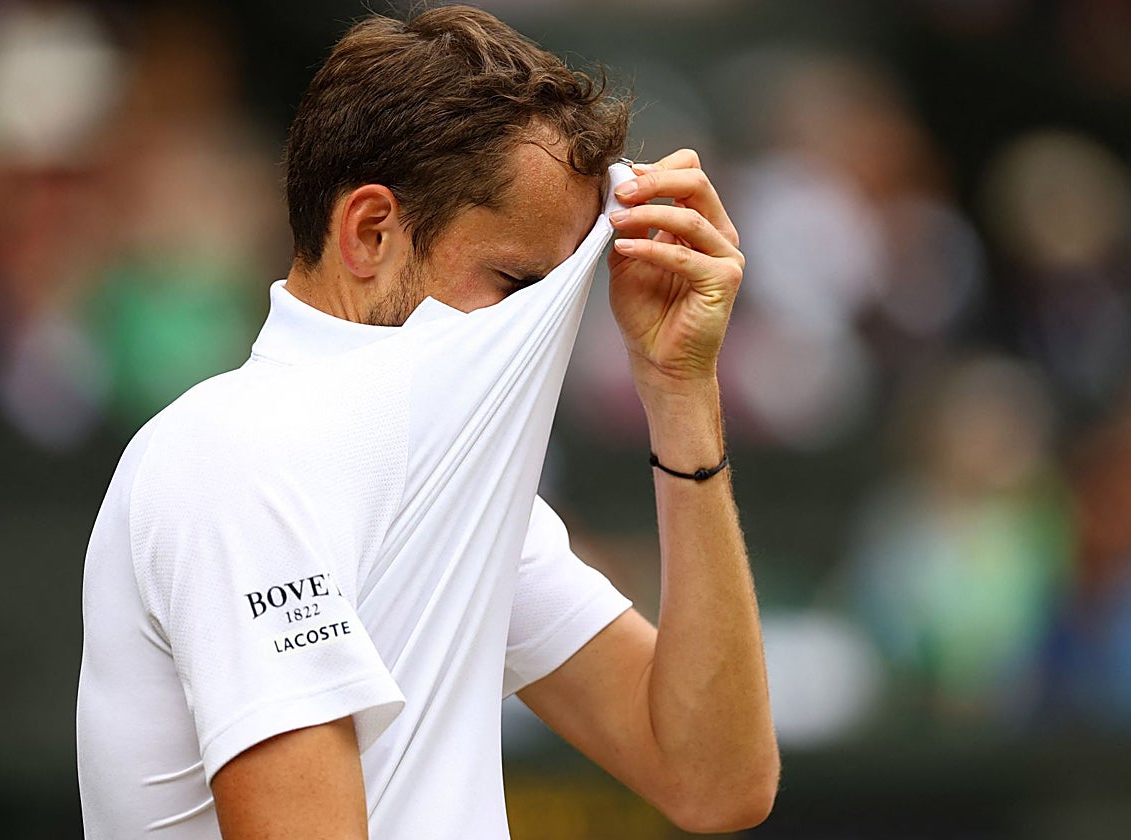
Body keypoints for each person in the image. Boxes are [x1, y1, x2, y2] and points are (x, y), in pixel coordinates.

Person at [75, 6, 778, 839]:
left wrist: (681, 390)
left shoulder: (453, 478)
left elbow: (714, 780)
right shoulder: (236, 458)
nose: (542, 327)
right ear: (371, 232)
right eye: (517, 283)